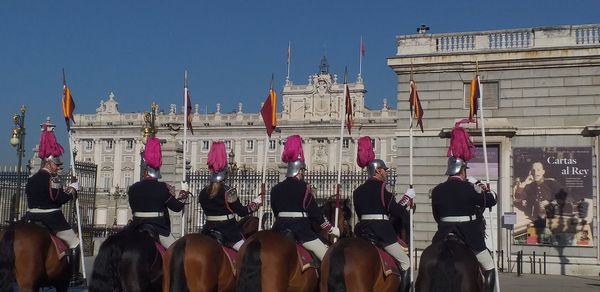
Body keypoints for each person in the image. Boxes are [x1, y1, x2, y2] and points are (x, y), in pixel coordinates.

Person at [353, 136, 413, 292]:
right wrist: (407, 204)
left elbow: (359, 213)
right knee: (406, 263)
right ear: (378, 171)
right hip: (381, 232)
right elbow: (397, 212)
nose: (386, 172)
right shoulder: (381, 189)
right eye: (384, 170)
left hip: (362, 231)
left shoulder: (357, 191)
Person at [431, 156, 497, 292]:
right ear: (462, 170)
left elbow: (436, 216)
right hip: (469, 236)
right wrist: (485, 189)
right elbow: (491, 200)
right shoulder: (470, 188)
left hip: (443, 235)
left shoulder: (437, 190)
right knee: (490, 266)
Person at [270, 135, 340, 261]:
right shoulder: (305, 188)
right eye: (303, 171)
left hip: (278, 230)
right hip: (300, 231)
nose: (304, 174)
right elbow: (315, 214)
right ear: (300, 171)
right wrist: (330, 229)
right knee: (328, 259)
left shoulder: (275, 189)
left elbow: (275, 212)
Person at [24, 123, 80, 269]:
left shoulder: (31, 179)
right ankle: (74, 276)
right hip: (51, 219)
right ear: (48, 163)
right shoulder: (52, 179)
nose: (58, 167)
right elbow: (59, 198)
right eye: (56, 164)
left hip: (31, 217)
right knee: (75, 243)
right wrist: (73, 189)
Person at [199, 141, 262, 251]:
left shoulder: (202, 192)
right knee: (247, 253)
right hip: (228, 231)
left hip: (207, 230)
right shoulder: (229, 191)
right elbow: (241, 212)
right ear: (225, 172)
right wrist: (255, 203)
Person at [128, 137, 188, 249]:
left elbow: (133, 209)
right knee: (176, 252)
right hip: (158, 228)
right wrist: (183, 194)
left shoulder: (132, 188)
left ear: (144, 171)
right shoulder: (161, 188)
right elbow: (176, 207)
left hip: (136, 227)